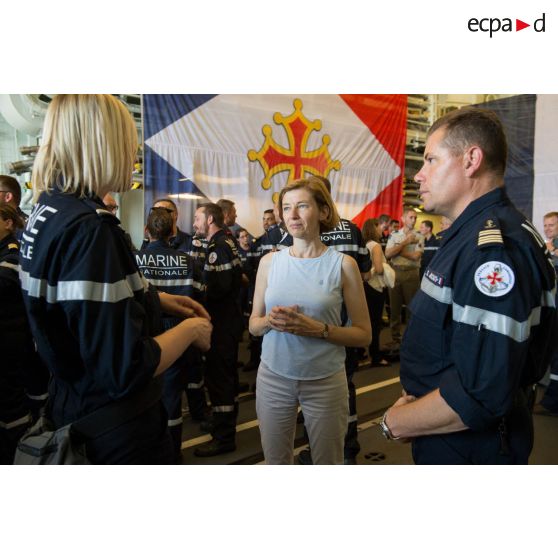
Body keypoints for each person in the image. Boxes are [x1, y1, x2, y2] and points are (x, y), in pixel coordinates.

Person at [19, 94, 212, 465]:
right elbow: (126, 368)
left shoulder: (48, 211)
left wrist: (158, 300)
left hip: (71, 403)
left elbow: (75, 311)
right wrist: (191, 330)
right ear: (104, 143)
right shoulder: (92, 230)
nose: (134, 154)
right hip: (116, 431)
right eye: (129, 143)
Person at [382, 107, 557, 464]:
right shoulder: (466, 238)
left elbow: (480, 394)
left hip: (470, 449)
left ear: (471, 160)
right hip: (445, 434)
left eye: (431, 159)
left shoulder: (492, 252)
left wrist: (394, 422)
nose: (419, 174)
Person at [249, 177, 371, 465]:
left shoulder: (343, 265)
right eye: (286, 207)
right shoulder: (269, 263)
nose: (291, 215)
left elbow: (364, 334)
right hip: (274, 377)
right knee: (276, 462)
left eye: (302, 206)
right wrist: (270, 321)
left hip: (325, 381)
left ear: (324, 212)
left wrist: (320, 330)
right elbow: (254, 325)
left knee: (328, 462)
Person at [135, 208, 208, 462]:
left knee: (144, 402)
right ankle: (173, 455)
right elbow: (200, 298)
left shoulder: (135, 261)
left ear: (147, 231)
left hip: (146, 339)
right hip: (180, 338)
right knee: (172, 401)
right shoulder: (189, 262)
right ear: (173, 232)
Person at [192, 203, 243, 457]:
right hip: (228, 321)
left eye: (197, 217)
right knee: (226, 377)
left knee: (219, 379)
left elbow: (220, 287)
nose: (194, 223)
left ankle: (223, 437)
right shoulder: (225, 242)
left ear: (210, 219)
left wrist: (198, 294)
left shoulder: (218, 247)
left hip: (221, 323)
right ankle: (225, 423)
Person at [0, 203, 49, 463]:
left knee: (14, 414)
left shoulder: (13, 253)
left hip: (14, 348)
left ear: (9, 223)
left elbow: (4, 281)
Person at [385, 207, 424, 347]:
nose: (414, 220)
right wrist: (404, 243)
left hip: (411, 274)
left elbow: (415, 256)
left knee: (411, 308)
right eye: (411, 217)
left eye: (415, 218)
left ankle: (410, 339)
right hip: (396, 273)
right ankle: (395, 339)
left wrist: (397, 250)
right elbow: (387, 255)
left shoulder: (419, 236)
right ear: (403, 218)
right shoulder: (394, 235)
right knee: (394, 308)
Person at [535, 211, 558, 415]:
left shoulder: (553, 247)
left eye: (552, 225)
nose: (547, 229)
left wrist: (551, 253)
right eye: (546, 225)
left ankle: (552, 403)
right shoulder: (549, 246)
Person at [361, 218, 389, 367]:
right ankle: (376, 356)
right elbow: (378, 269)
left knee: (365, 321)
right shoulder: (376, 246)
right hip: (376, 287)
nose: (382, 230)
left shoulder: (364, 245)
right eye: (379, 227)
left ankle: (362, 354)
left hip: (365, 287)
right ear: (374, 227)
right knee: (375, 323)